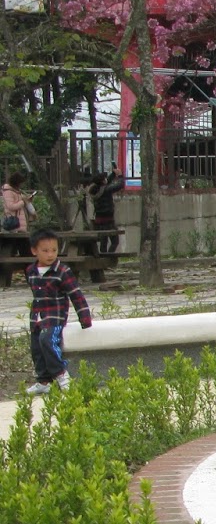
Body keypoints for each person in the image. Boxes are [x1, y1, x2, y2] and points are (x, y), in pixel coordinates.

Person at [24, 228, 92, 395]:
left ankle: (61, 374)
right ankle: (44, 381)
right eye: (45, 251)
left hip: (55, 317)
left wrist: (84, 318)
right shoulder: (30, 271)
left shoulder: (62, 271)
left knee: (47, 340)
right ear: (34, 251)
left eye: (54, 250)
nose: (50, 255)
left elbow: (76, 294)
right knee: (36, 348)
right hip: (37, 317)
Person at [85, 166, 125, 252]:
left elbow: (106, 183)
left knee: (103, 242)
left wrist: (113, 174)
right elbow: (120, 185)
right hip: (108, 221)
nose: (106, 179)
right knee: (115, 242)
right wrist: (120, 176)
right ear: (103, 181)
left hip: (99, 221)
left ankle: (103, 258)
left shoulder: (95, 189)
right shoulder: (106, 190)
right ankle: (109, 257)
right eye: (104, 179)